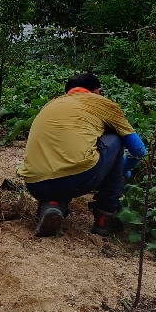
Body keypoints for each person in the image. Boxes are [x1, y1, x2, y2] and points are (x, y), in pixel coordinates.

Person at [18, 72, 146, 237]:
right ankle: (105, 216)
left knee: (60, 157)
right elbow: (138, 150)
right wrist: (122, 170)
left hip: (35, 184)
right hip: (78, 179)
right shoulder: (101, 103)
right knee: (116, 138)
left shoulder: (51, 105)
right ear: (97, 92)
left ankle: (52, 205)